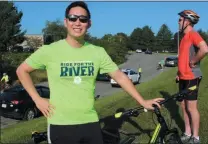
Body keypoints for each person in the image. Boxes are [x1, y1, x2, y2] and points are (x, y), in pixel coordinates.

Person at [16, 1, 164, 144]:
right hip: (60, 124)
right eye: (73, 18)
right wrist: (37, 99)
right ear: (65, 22)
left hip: (90, 123)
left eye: (83, 19)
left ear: (89, 24)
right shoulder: (50, 50)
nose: (77, 22)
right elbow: (22, 70)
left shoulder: (98, 52)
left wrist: (142, 101)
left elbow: (119, 76)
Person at [177, 10, 208, 144]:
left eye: (180, 20)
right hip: (183, 77)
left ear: (187, 21)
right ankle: (187, 132)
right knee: (184, 106)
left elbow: (205, 49)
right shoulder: (183, 37)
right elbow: (183, 58)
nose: (178, 22)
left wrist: (194, 61)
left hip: (192, 77)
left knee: (191, 108)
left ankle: (195, 138)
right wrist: (178, 74)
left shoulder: (192, 34)